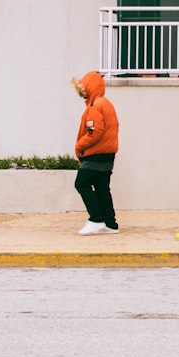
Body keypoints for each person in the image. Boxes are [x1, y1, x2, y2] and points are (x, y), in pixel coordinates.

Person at [72, 71, 120, 235]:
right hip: (107, 154)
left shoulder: (95, 106)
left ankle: (96, 219)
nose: (82, 92)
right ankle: (110, 224)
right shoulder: (106, 103)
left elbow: (94, 132)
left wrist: (79, 146)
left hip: (96, 155)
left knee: (81, 183)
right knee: (102, 188)